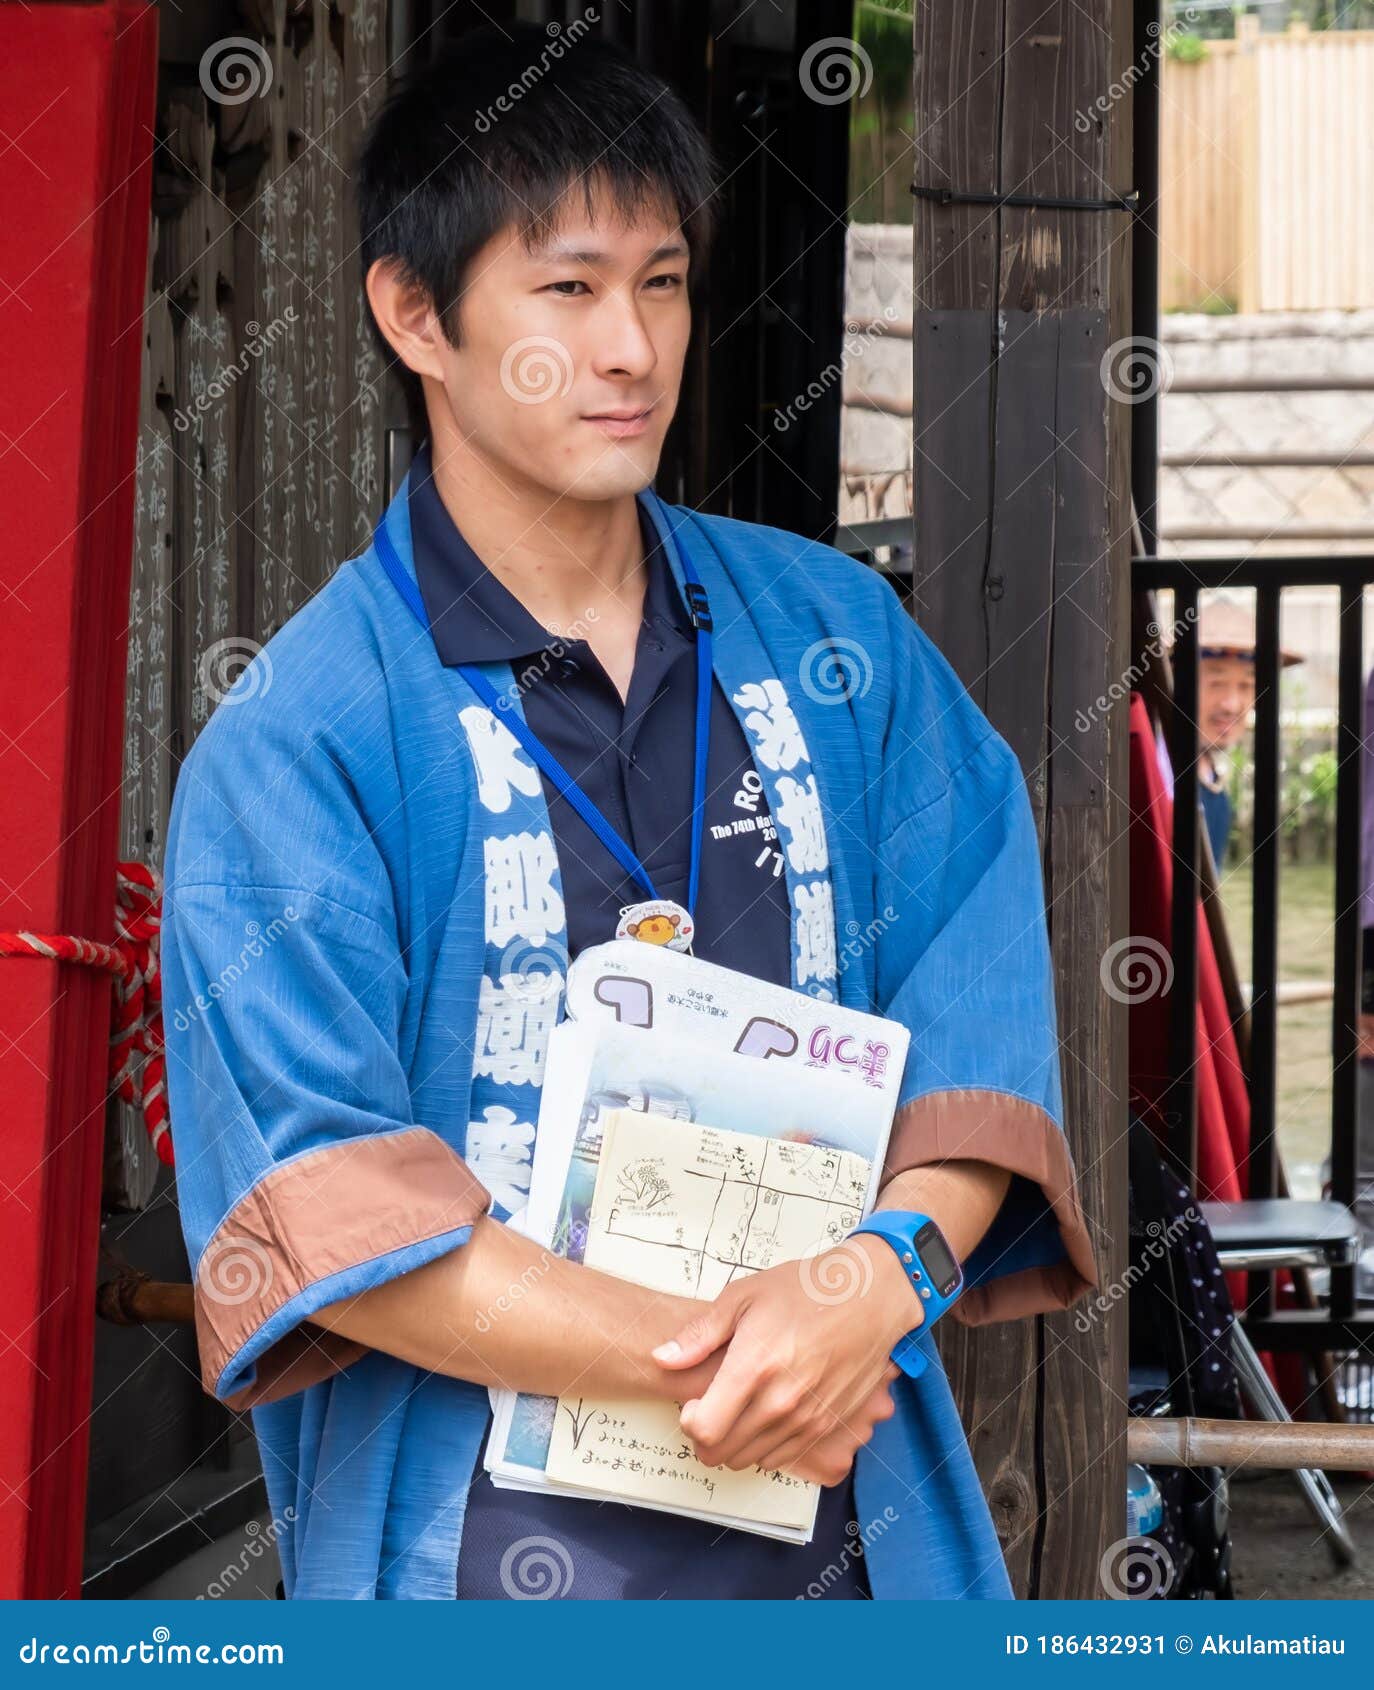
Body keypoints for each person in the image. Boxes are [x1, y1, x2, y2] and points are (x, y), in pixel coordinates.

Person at [159, 27, 1097, 1601]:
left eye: (661, 283)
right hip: (470, 1559)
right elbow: (327, 1206)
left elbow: (976, 1026)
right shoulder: (298, 737)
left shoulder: (838, 644)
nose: (633, 349)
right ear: (415, 314)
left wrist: (873, 1278)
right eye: (570, 288)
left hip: (849, 1539)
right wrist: (750, 1353)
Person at [1192, 596, 1299, 869]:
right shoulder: (1157, 772)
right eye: (1216, 683)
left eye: (1246, 686)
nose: (1231, 704)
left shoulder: (1212, 777)